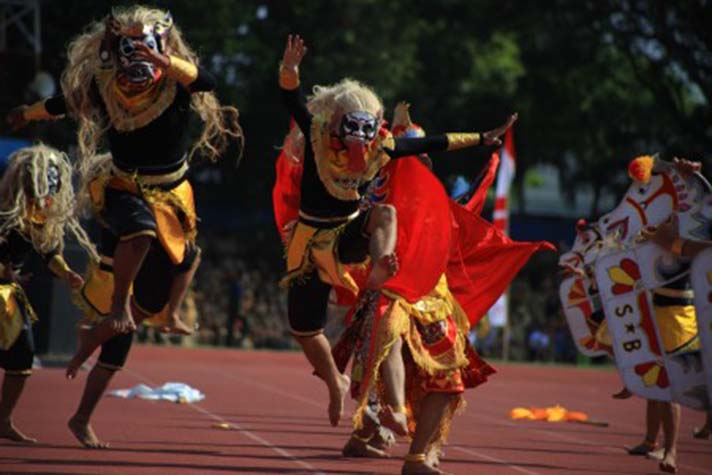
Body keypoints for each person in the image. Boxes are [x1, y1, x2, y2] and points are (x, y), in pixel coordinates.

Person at [7, 5, 241, 448]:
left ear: (164, 49)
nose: (137, 61)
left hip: (171, 195)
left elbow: (209, 81)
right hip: (121, 188)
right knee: (139, 232)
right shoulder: (103, 85)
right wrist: (29, 113)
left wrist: (165, 62)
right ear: (113, 52)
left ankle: (89, 395)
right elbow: (64, 104)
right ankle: (115, 308)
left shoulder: (177, 81)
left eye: (147, 48)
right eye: (127, 49)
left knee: (164, 286)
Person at [278, 34, 516, 428]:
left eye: (366, 130)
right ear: (335, 121)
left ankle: (381, 269)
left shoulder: (382, 146)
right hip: (308, 241)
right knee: (304, 330)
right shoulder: (318, 131)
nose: (358, 139)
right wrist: (289, 71)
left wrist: (480, 138)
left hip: (350, 234)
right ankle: (337, 384)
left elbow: (432, 143)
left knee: (384, 212)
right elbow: (291, 99)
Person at [0, 144, 93, 443]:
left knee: (22, 355)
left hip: (6, 295)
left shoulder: (39, 215)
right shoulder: (5, 208)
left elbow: (48, 251)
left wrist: (66, 272)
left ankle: (3, 420)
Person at [632, 157, 704, 474]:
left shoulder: (695, 222)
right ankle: (651, 440)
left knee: (671, 382)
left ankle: (671, 451)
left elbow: (692, 251)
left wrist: (667, 240)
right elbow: (645, 164)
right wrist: (671, 165)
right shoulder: (658, 217)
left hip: (679, 312)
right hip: (652, 305)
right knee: (654, 380)